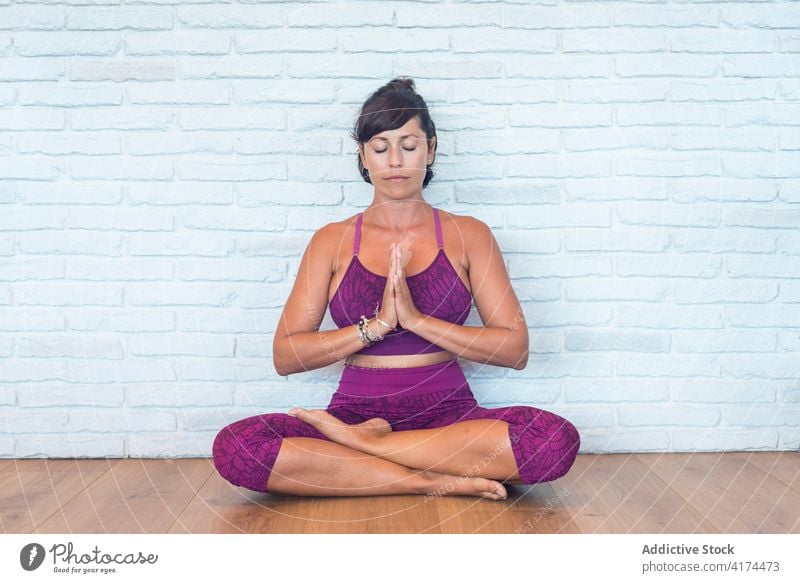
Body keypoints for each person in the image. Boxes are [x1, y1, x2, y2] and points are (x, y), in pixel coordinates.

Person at [212, 78, 580, 501]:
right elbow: (286, 356)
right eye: (381, 147)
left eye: (409, 145)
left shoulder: (468, 235)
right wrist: (379, 325)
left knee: (553, 441)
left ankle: (369, 449)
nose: (395, 161)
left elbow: (514, 351)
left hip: (451, 419)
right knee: (237, 448)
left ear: (432, 149)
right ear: (363, 157)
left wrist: (418, 320)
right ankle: (428, 478)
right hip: (353, 413)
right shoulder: (331, 240)